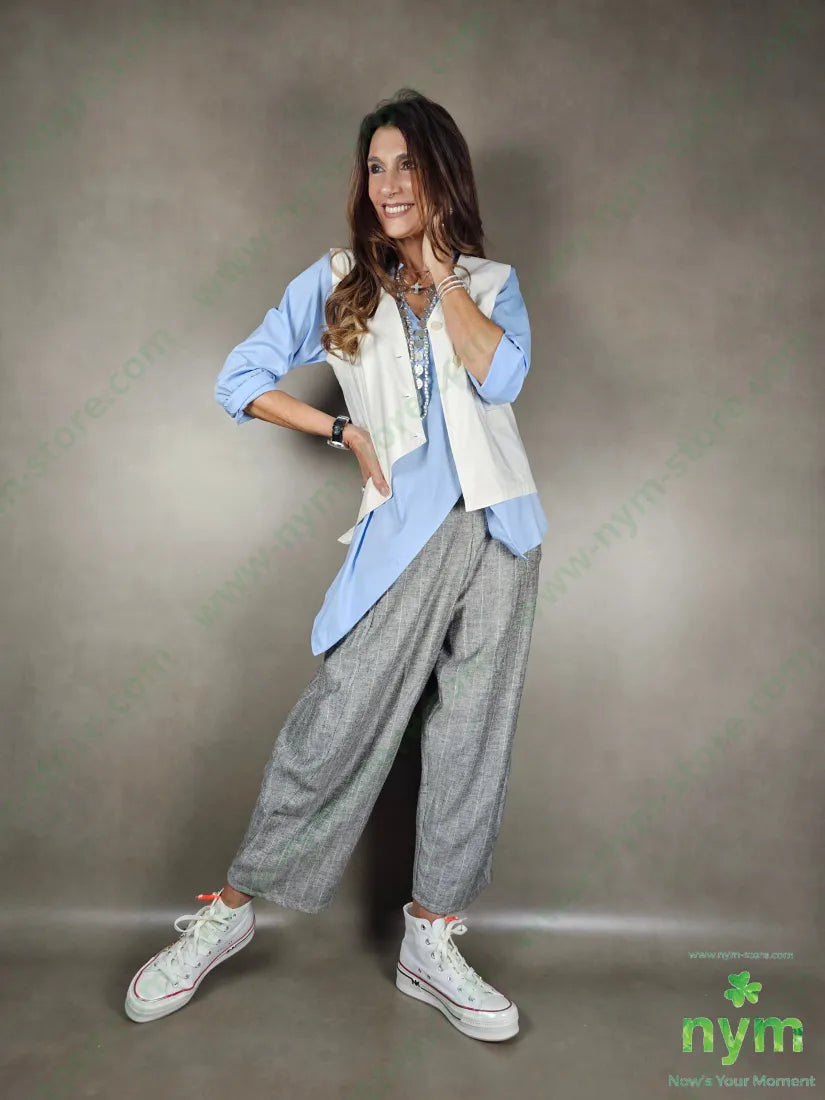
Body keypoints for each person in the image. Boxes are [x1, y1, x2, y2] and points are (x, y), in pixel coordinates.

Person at [125, 88, 547, 1042]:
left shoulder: (490, 283)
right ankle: (230, 912)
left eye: (408, 166)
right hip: (405, 537)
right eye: (375, 167)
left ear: (443, 177)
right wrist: (339, 430)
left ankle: (431, 937)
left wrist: (441, 275)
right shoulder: (336, 280)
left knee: (471, 738)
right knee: (335, 727)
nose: (388, 184)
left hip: (503, 532)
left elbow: (502, 377)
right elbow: (239, 380)